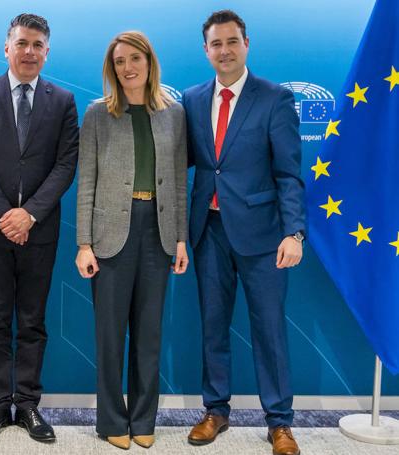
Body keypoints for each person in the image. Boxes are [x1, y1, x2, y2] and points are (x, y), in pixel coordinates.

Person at [182, 10, 305, 455]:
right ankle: (215, 411)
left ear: (246, 44)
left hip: (264, 236)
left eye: (232, 42)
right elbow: (185, 169)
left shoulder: (275, 98)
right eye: (216, 44)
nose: (224, 51)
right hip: (208, 232)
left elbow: (289, 174)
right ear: (206, 50)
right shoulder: (193, 100)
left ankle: (280, 423)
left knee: (269, 329)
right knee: (213, 327)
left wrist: (295, 232)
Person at [0, 13, 78, 443]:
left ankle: (27, 405)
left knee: (32, 320)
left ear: (47, 51)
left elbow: (66, 164)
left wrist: (30, 214)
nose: (29, 52)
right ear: (6, 48)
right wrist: (6, 217)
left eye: (38, 45)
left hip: (40, 230)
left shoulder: (62, 100)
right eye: (22, 43)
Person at [76, 31, 189, 450]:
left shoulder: (173, 114)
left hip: (157, 232)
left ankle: (144, 419)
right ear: (112, 68)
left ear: (149, 62)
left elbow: (178, 180)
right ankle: (111, 421)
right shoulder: (97, 115)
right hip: (109, 236)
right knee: (109, 335)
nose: (128, 67)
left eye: (134, 58)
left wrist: (180, 239)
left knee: (149, 334)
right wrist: (83, 243)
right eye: (119, 61)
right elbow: (86, 182)